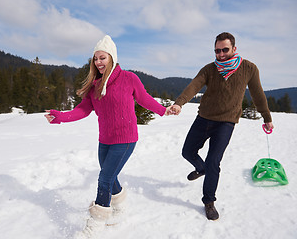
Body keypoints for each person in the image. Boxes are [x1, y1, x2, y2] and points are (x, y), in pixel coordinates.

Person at [45, 35, 169, 237]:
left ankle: (96, 223)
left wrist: (164, 110)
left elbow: (144, 98)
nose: (98, 62)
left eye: (102, 58)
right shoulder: (94, 86)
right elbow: (82, 110)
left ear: (112, 57)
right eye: (95, 59)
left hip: (126, 139)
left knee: (104, 178)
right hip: (105, 140)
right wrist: (60, 117)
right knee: (110, 176)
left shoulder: (129, 78)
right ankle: (119, 207)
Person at [168, 32, 274, 220]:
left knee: (213, 162)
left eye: (225, 50)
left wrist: (266, 117)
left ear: (234, 48)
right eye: (217, 51)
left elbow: (257, 94)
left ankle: (209, 201)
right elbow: (194, 85)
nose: (221, 54)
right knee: (187, 152)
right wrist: (179, 103)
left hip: (226, 123)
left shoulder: (249, 68)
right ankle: (201, 169)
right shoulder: (209, 69)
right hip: (204, 118)